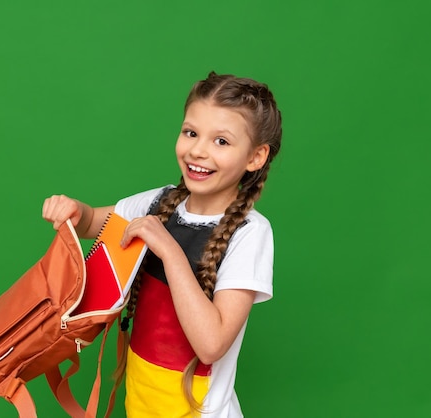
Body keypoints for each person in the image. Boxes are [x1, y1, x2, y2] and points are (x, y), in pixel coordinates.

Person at [42, 71, 282, 417]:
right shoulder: (157, 202)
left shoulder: (249, 233)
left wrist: (169, 250)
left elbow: (211, 344)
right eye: (191, 133)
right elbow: (94, 221)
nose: (198, 150)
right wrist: (72, 209)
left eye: (222, 141)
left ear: (255, 157)